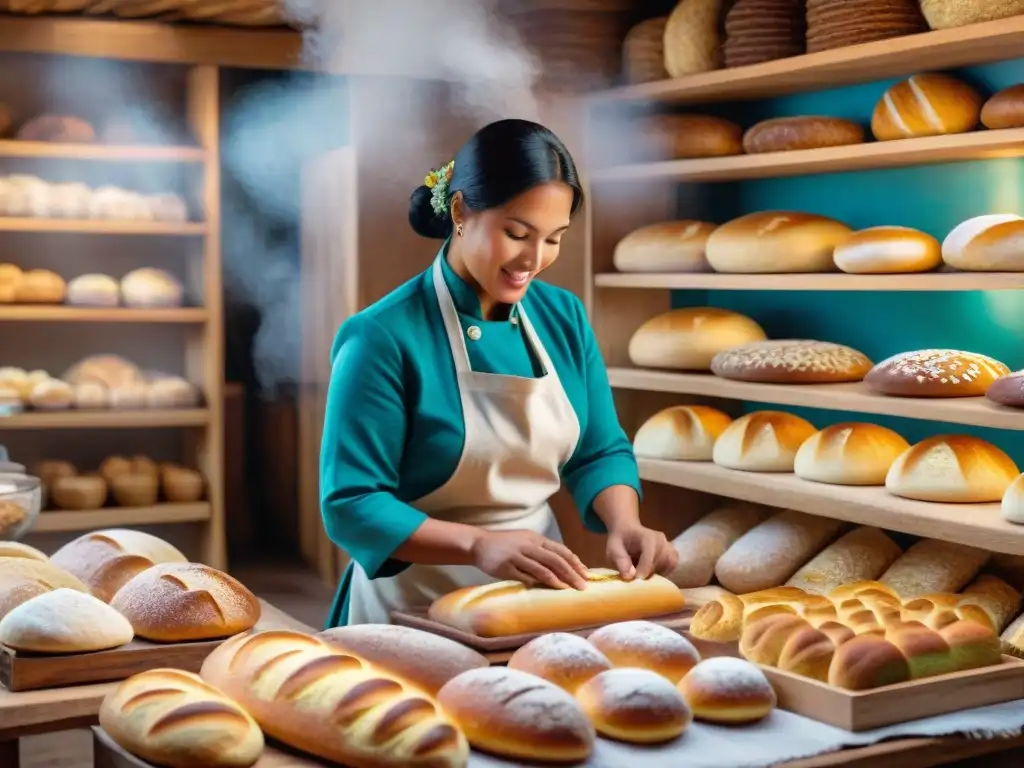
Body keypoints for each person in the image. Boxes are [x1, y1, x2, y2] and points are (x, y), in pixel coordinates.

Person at [319, 118, 678, 628]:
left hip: (534, 595)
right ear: (461, 210)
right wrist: (478, 545)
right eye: (516, 233)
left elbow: (600, 449)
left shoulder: (563, 316)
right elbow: (351, 502)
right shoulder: (381, 336)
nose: (533, 260)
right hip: (407, 603)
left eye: (554, 239)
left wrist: (625, 522)